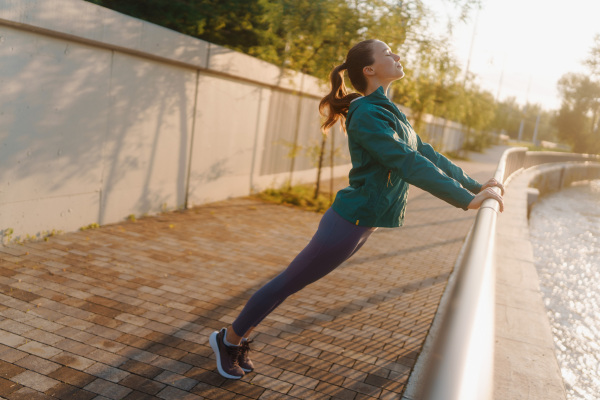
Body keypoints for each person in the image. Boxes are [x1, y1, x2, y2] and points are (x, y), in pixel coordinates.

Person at [209, 39, 505, 380]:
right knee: (288, 282)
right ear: (369, 70)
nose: (396, 55)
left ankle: (236, 337)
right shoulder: (367, 113)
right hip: (347, 222)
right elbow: (405, 161)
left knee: (293, 283)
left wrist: (473, 185)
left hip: (363, 222)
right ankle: (228, 339)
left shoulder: (387, 110)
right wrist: (465, 200)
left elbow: (425, 152)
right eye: (388, 53)